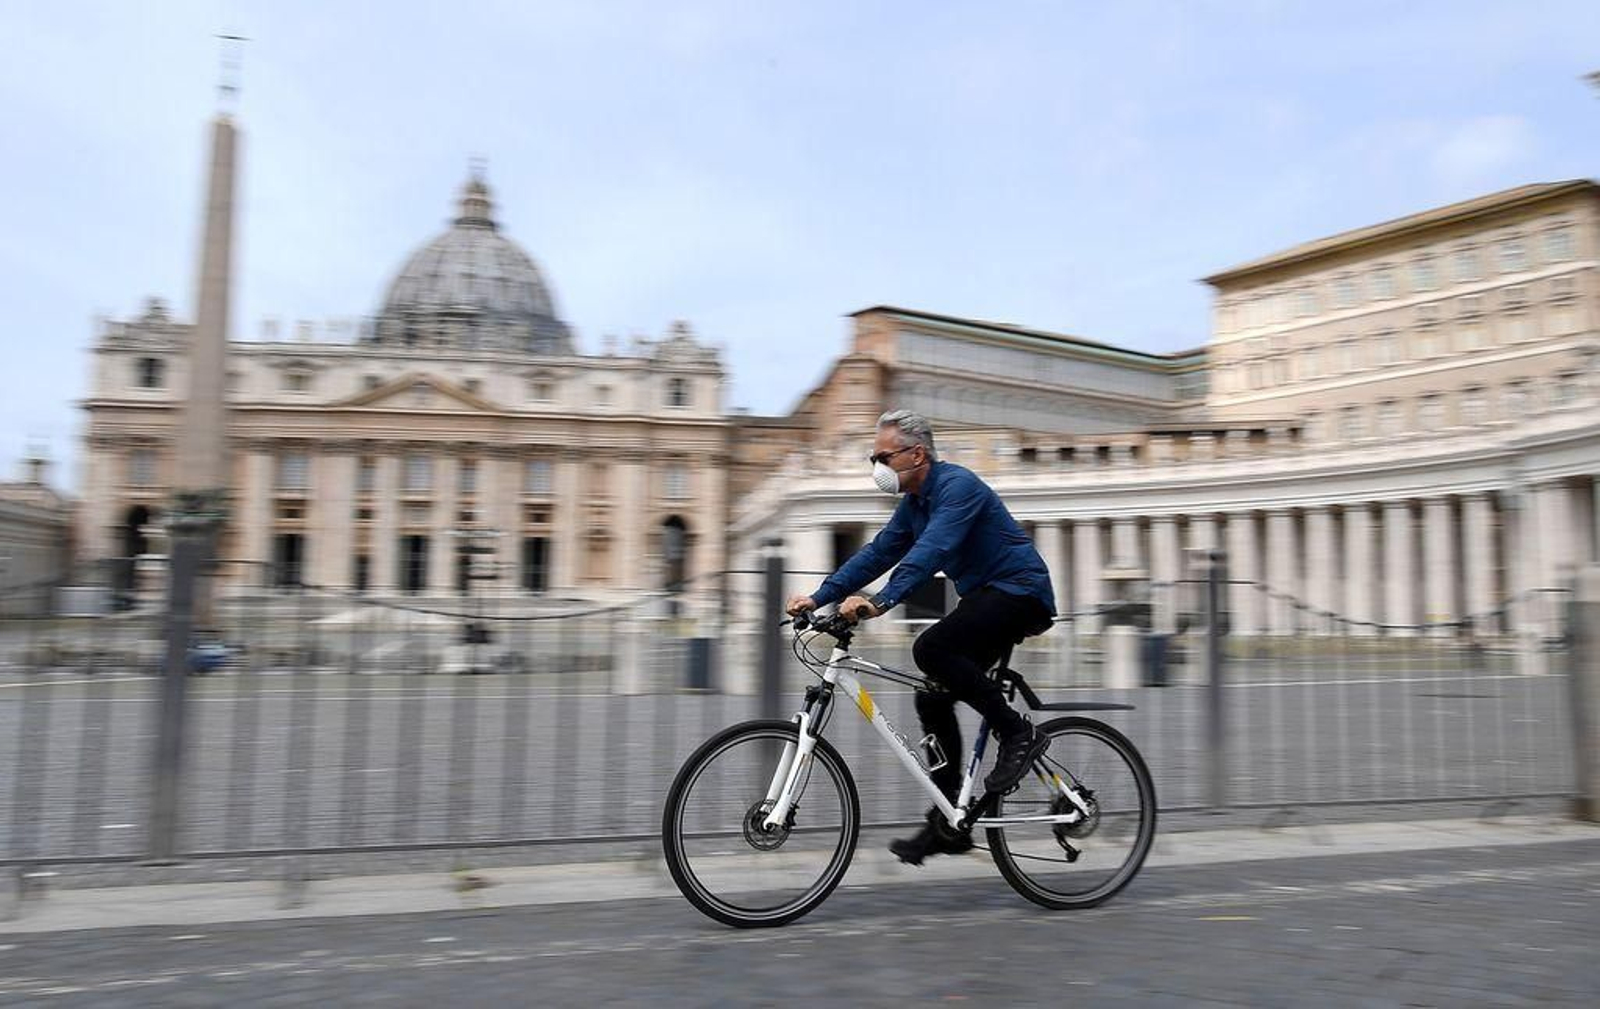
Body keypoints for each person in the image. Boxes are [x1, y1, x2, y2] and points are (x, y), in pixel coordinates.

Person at [786, 410, 1055, 866]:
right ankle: (948, 821)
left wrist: (881, 601)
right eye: (873, 458)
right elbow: (876, 553)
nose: (878, 467)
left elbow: (934, 550)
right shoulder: (914, 505)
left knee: (930, 648)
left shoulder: (958, 487)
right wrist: (819, 597)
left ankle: (1017, 734)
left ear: (917, 453)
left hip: (1020, 592)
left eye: (883, 457)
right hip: (984, 597)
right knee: (931, 699)